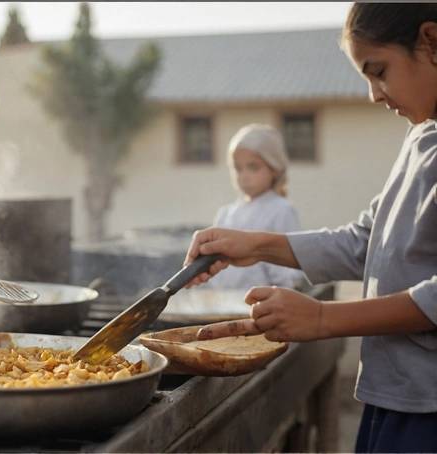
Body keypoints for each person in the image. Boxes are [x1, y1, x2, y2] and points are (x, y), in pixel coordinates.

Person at [183, 4, 437, 452]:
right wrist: (259, 245)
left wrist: (322, 318)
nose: (374, 95)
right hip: (394, 391)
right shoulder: (421, 137)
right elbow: (366, 240)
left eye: (379, 71)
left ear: (431, 41)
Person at [206, 124, 304, 290]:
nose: (243, 176)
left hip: (262, 308)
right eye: (237, 168)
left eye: (253, 167)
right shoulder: (226, 214)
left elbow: (289, 272)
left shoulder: (281, 210)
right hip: (223, 307)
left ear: (274, 168)